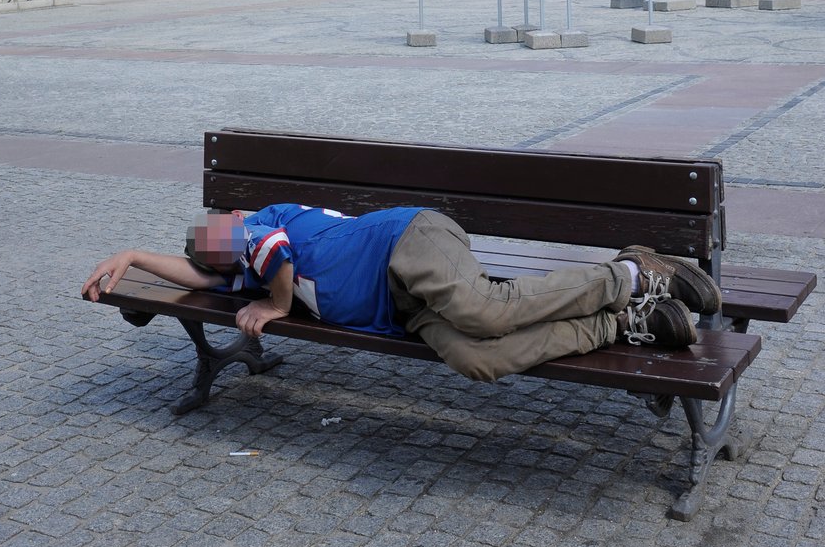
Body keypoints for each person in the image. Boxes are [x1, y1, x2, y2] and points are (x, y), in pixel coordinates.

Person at [82, 205, 721, 383]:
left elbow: (268, 250)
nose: (216, 267)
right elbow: (203, 275)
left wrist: (276, 306)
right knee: (480, 360)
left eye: (212, 250)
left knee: (483, 311)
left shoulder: (253, 229)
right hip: (401, 312)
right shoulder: (234, 269)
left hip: (406, 242)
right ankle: (626, 324)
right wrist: (135, 257)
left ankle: (632, 274)